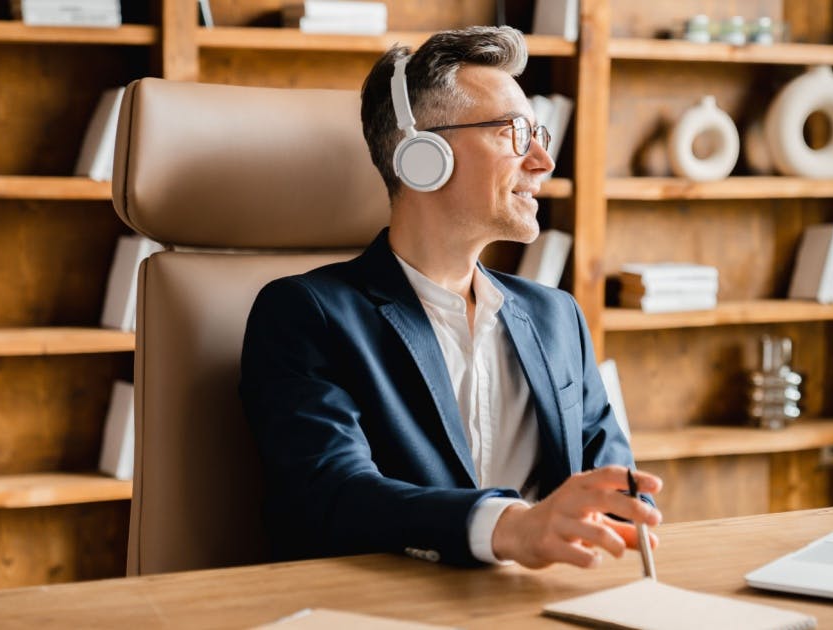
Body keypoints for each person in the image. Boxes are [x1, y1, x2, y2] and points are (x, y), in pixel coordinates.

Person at [240, 25, 661, 570]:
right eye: (514, 132)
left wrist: (626, 517)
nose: (542, 161)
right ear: (423, 154)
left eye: (541, 134)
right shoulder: (306, 314)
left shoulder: (556, 316)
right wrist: (511, 528)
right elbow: (333, 493)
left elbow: (620, 493)